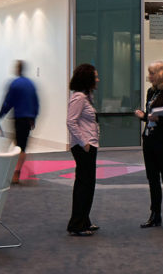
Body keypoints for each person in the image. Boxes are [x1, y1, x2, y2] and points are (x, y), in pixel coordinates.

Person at [135, 61, 163, 232]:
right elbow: (150, 116)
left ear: (161, 74)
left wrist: (158, 119)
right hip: (149, 140)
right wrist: (144, 116)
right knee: (152, 179)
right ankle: (155, 215)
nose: (149, 76)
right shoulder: (151, 91)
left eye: (152, 73)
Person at [66, 64, 100, 237]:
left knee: (87, 185)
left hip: (89, 145)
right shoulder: (79, 98)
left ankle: (83, 220)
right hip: (83, 147)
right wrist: (84, 142)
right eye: (95, 76)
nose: (97, 79)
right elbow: (71, 121)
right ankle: (77, 224)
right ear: (87, 78)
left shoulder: (86, 96)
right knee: (84, 185)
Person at [0, 60, 40, 184]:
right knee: (22, 145)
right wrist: (34, 118)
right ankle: (20, 170)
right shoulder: (31, 84)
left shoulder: (15, 84)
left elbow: (8, 102)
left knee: (19, 146)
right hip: (28, 119)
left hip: (19, 118)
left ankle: (16, 172)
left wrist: (0, 115)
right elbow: (36, 102)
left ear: (17, 69)